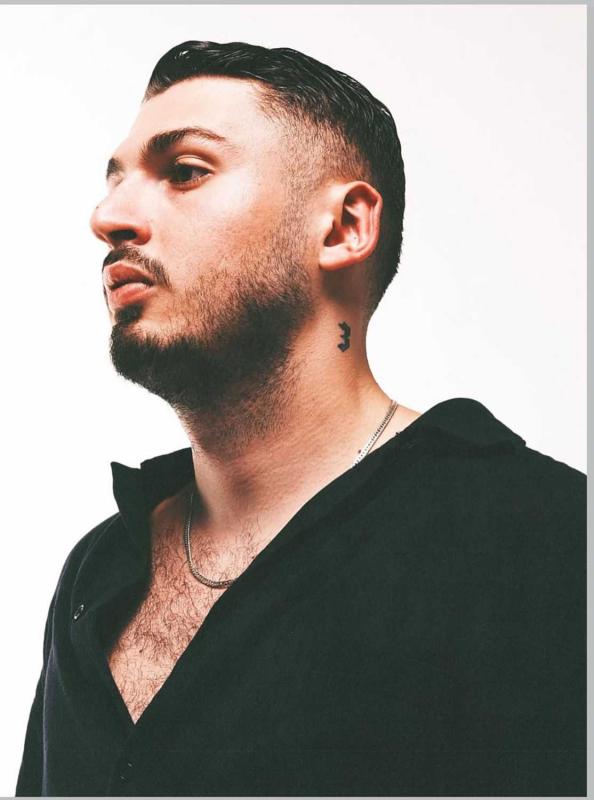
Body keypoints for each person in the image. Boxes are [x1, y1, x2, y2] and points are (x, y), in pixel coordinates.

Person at [16, 40, 585, 797]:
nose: (107, 217)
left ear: (344, 227)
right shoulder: (100, 572)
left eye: (185, 171)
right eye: (114, 181)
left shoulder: (546, 539)